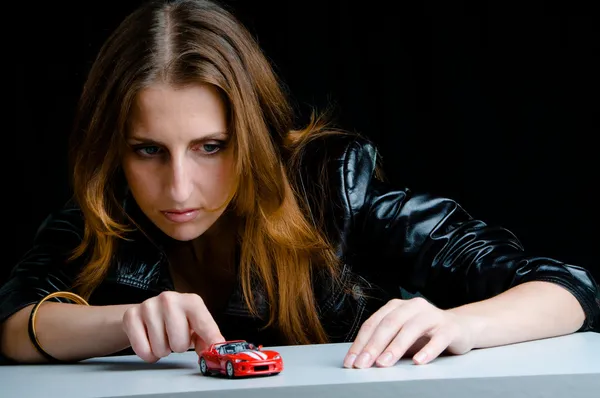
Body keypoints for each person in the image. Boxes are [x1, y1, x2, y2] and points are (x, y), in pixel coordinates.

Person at [1, 0, 598, 370]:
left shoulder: (332, 188)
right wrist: (123, 323)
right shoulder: (105, 210)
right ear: (115, 149)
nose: (179, 187)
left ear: (254, 135)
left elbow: (568, 289)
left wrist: (459, 323)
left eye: (212, 147)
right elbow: (15, 325)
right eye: (148, 151)